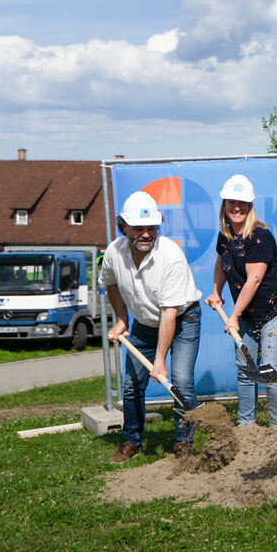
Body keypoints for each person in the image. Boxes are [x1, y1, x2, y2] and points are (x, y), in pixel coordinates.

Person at [100, 191, 202, 463]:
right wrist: (122, 320)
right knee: (132, 385)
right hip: (144, 323)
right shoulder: (113, 253)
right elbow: (110, 283)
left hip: (183, 320)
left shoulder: (171, 257)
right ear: (123, 226)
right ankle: (131, 441)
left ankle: (183, 444)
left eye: (151, 228)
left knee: (181, 382)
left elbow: (169, 313)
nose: (146, 234)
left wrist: (159, 361)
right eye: (138, 228)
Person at [205, 174, 277, 429]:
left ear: (249, 205)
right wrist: (216, 291)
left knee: (270, 371)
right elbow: (221, 262)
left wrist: (233, 316)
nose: (236, 207)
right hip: (246, 314)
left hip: (274, 312)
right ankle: (246, 427)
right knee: (246, 370)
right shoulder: (225, 236)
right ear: (225, 205)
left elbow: (254, 280)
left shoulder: (259, 236)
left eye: (242, 203)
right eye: (232, 202)